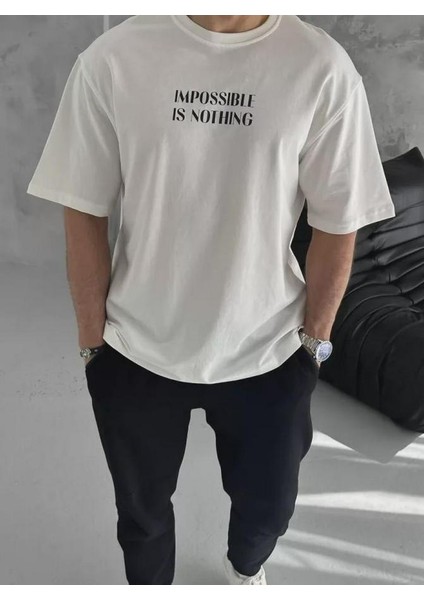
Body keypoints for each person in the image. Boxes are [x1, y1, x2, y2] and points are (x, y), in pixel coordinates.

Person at [26, 15, 396, 585]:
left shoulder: (321, 69)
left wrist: (314, 344)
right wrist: (91, 344)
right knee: (141, 516)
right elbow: (83, 207)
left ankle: (244, 570)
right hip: (136, 348)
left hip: (268, 350)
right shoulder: (113, 59)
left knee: (269, 511)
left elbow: (338, 220)